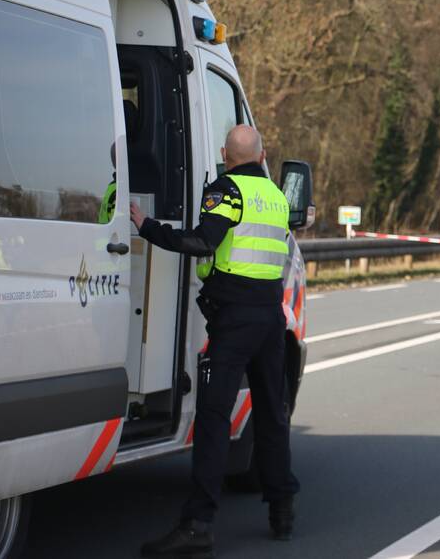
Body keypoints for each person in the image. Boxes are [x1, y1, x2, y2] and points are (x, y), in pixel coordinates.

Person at [134, 125, 299, 558]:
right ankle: (282, 510)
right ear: (263, 156)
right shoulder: (278, 198)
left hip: (236, 320)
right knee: (271, 414)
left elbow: (202, 240)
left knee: (212, 419)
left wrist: (147, 226)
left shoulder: (227, 190)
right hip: (270, 317)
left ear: (226, 154)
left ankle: (198, 524)